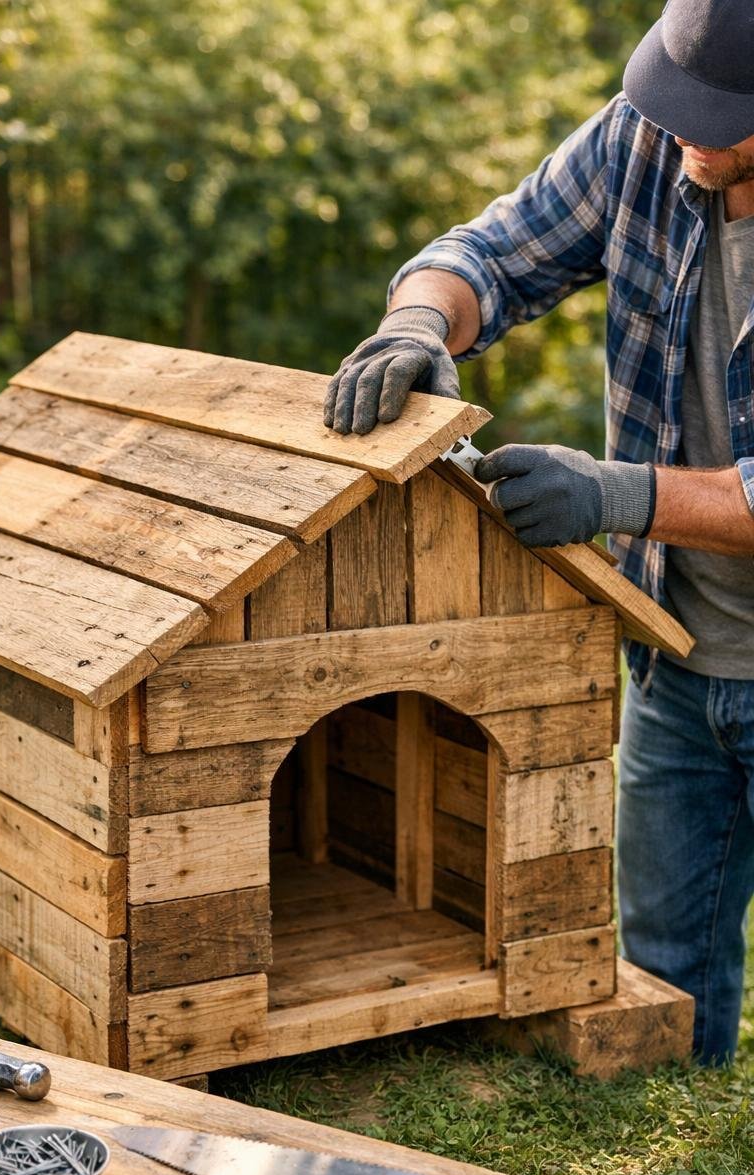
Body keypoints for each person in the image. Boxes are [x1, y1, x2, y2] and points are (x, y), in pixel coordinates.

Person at [324, 0, 754, 1066]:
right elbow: (490, 253)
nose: (686, 131)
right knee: (660, 969)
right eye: (676, 97)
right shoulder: (649, 139)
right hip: (681, 651)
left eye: (721, 117)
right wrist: (419, 319)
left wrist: (614, 496)